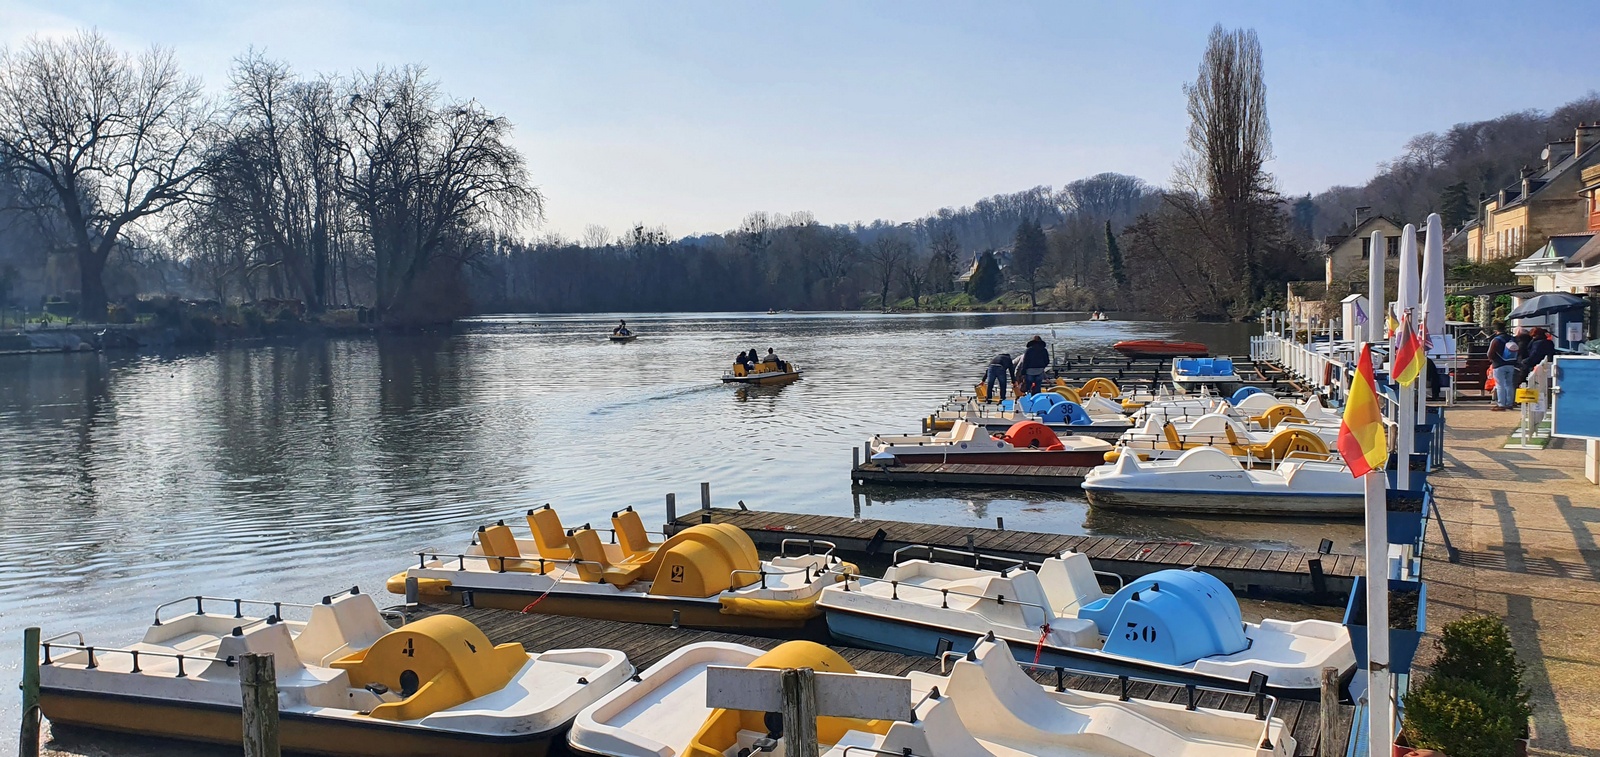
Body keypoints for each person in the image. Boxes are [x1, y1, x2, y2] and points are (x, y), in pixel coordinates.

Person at [1486, 323, 1517, 411]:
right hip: (1511, 363)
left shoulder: (1496, 340)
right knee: (1509, 384)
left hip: (1499, 365)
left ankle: (1501, 404)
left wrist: (1492, 360)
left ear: (1496, 330)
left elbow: (1490, 353)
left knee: (1500, 384)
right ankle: (1509, 403)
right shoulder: (1512, 338)